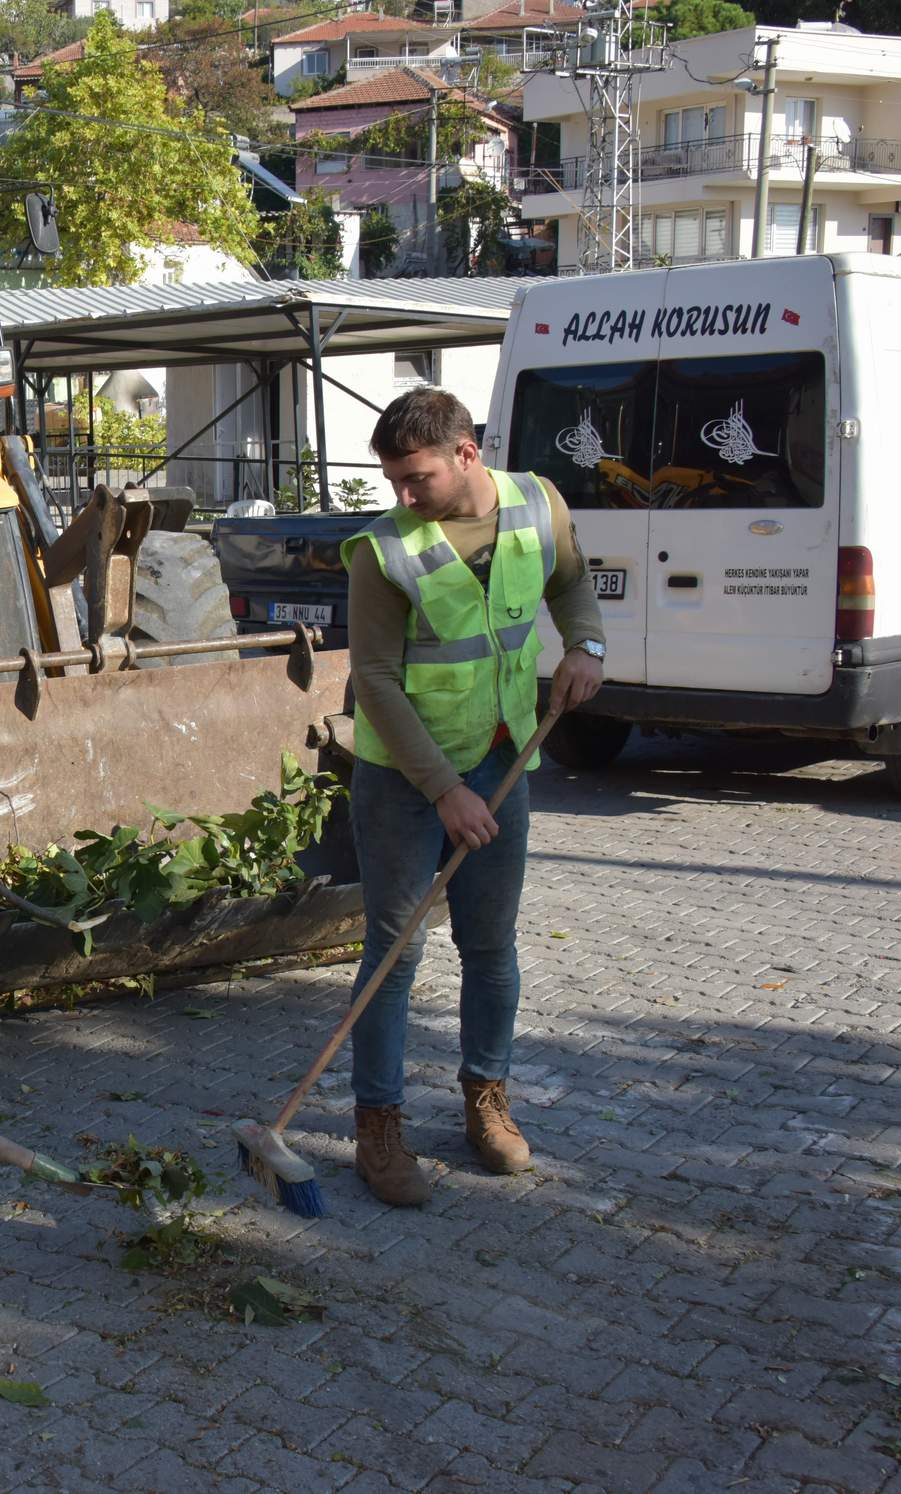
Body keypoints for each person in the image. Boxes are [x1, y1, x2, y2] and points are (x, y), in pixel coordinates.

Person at [339, 386, 606, 1208]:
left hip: (502, 760)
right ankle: (378, 1127)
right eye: (392, 480)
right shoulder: (384, 550)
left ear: (467, 453)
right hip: (404, 779)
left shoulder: (538, 504)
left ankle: (486, 1100)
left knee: (490, 947)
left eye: (416, 477)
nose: (403, 495)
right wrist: (445, 791)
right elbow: (374, 680)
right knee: (394, 955)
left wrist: (588, 643)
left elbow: (572, 582)